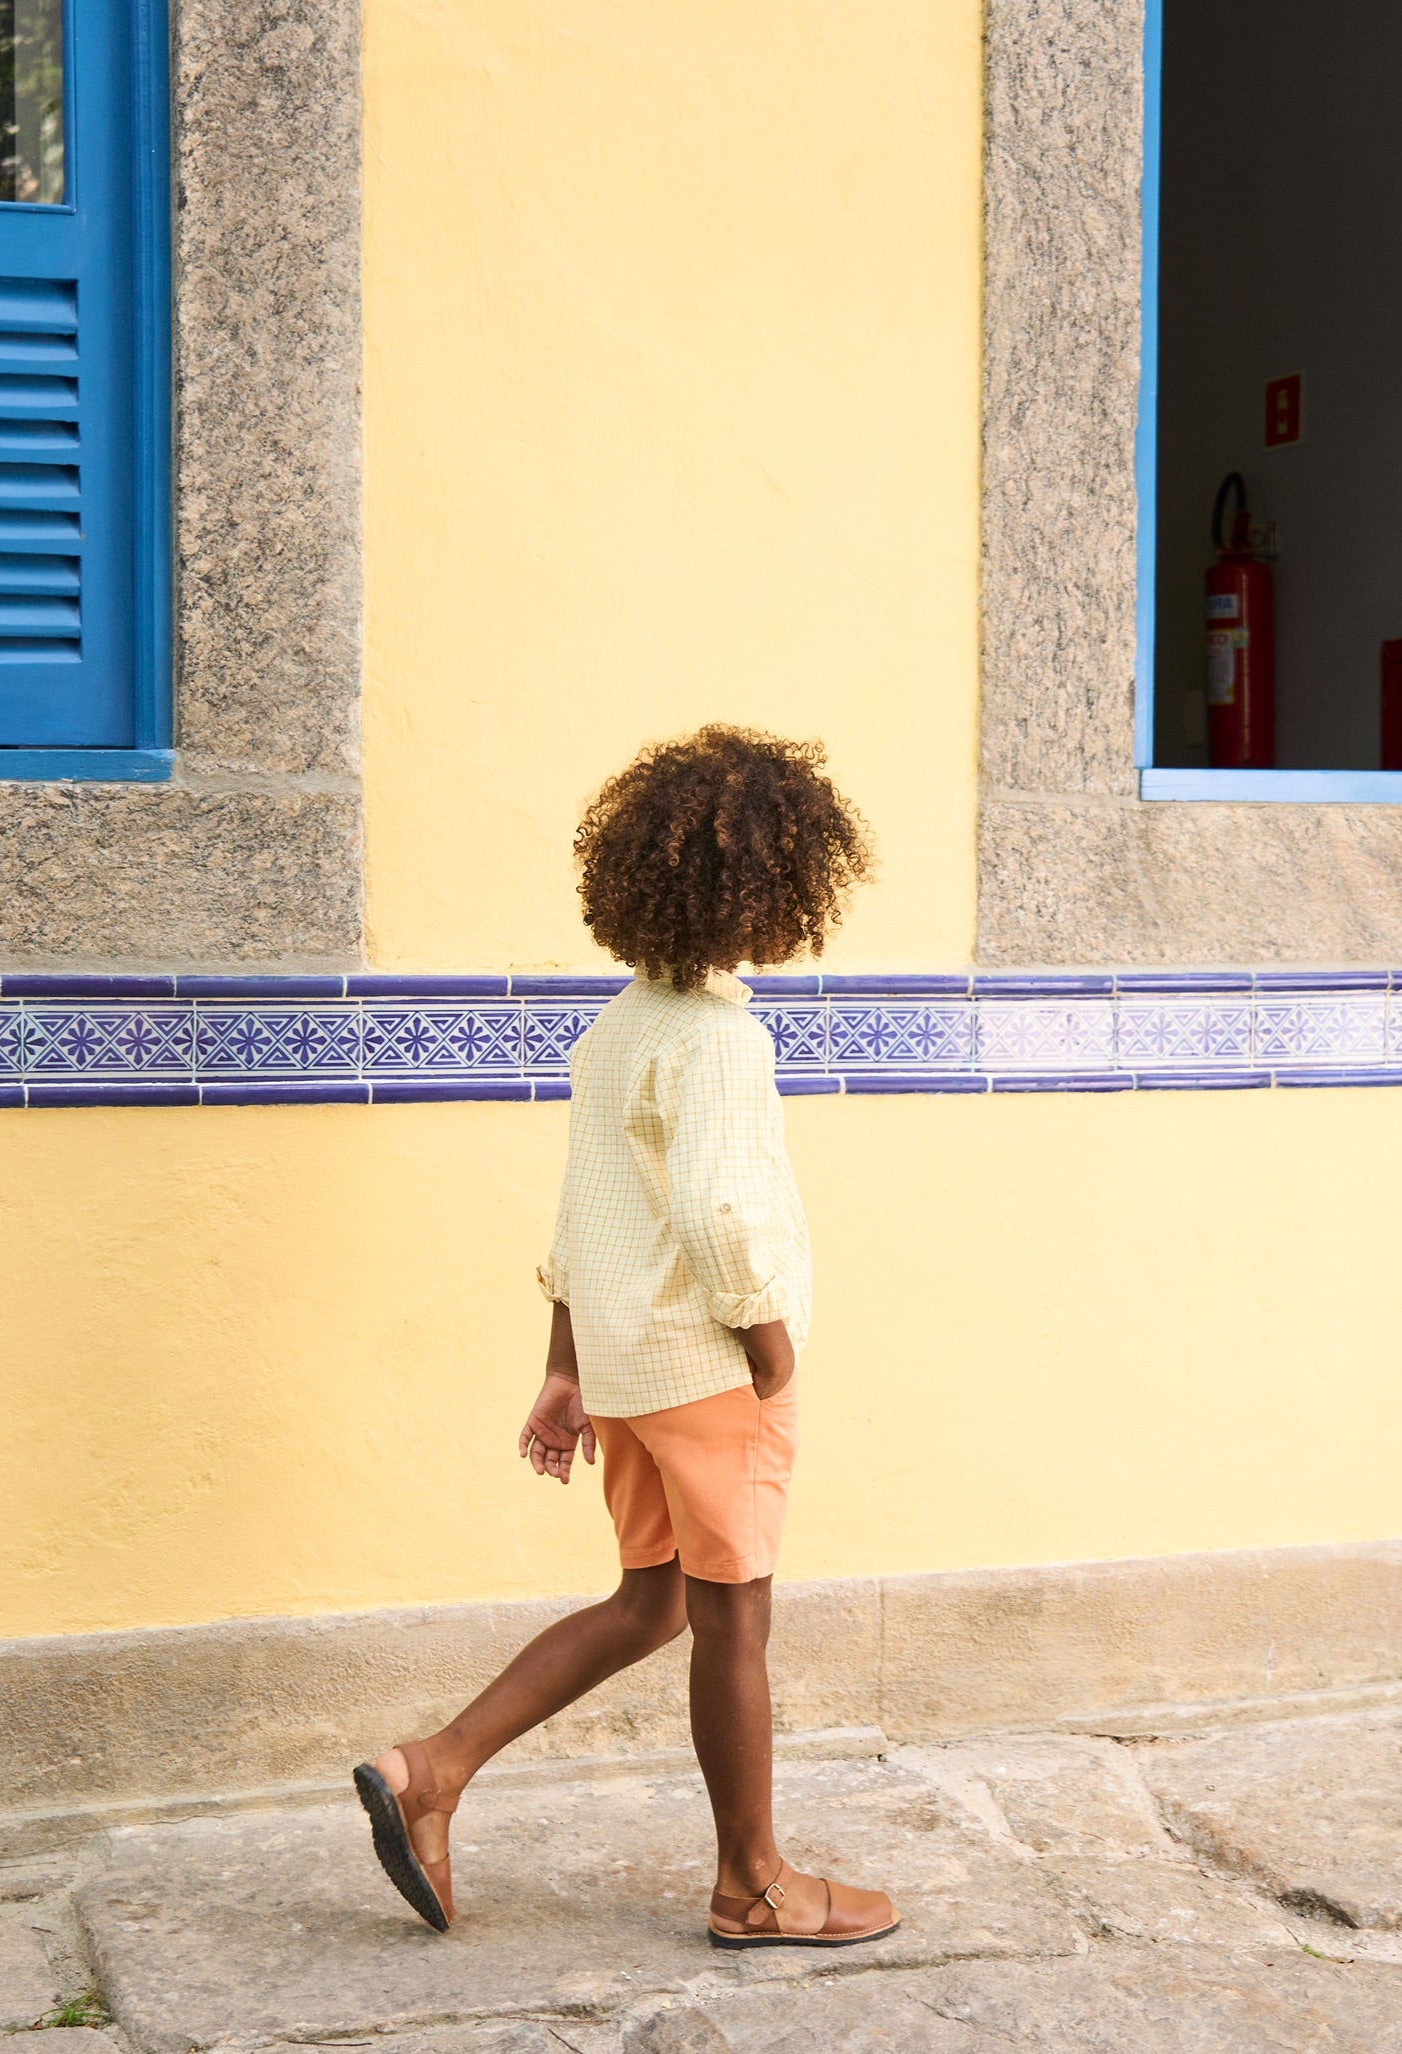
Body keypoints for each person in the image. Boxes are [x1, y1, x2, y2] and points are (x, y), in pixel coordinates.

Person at [355, 724, 899, 1949]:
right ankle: (752, 1884)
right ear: (770, 887)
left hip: (625, 1365)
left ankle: (431, 1768)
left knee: (652, 1600)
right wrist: (769, 1341)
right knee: (734, 1618)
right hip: (707, 1369)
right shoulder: (718, 1041)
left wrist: (564, 1362)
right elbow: (718, 1206)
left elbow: (582, 1211)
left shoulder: (619, 1028)